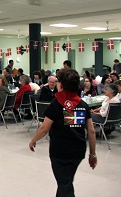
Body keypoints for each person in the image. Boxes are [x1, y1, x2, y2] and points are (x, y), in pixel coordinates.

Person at [29, 68, 97, 197]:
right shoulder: (83, 104)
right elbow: (91, 131)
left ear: (60, 85)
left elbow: (44, 128)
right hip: (77, 150)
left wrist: (33, 140)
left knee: (64, 183)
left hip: (59, 151)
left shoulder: (56, 104)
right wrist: (92, 154)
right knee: (65, 181)